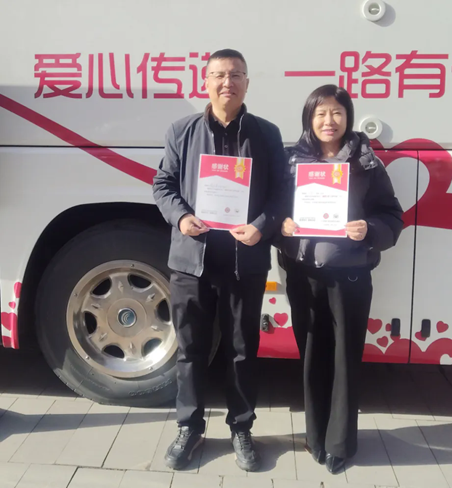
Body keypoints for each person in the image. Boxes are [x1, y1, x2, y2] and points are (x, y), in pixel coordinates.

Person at [153, 49, 286, 472]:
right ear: (205, 81)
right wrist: (182, 217)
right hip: (192, 261)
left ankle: (241, 427)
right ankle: (189, 427)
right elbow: (163, 184)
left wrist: (262, 226)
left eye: (236, 75)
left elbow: (282, 193)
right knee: (190, 349)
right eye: (219, 75)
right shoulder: (182, 130)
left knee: (242, 350)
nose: (227, 82)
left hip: (244, 261)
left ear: (247, 82)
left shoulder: (266, 133)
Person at [280, 84, 403, 474]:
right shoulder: (291, 161)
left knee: (345, 359)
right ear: (309, 119)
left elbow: (392, 216)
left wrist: (369, 229)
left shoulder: (366, 162)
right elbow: (272, 210)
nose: (328, 121)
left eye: (336, 112)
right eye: (320, 113)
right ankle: (315, 436)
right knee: (312, 355)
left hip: (349, 277)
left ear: (348, 117)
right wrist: (282, 225)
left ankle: (340, 444)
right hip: (303, 276)